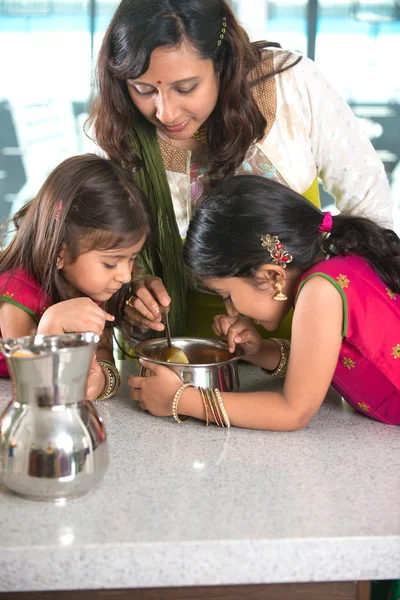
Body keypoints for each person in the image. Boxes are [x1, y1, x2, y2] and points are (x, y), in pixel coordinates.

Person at [88, 0, 393, 341]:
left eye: (186, 88)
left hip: (308, 332)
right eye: (144, 89)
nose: (166, 113)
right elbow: (102, 244)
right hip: (180, 340)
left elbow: (372, 208)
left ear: (223, 63)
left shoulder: (291, 86)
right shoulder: (121, 130)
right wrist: (133, 284)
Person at [129, 175, 400, 429]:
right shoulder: (334, 270)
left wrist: (180, 399)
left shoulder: (320, 290)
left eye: (227, 296)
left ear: (271, 276)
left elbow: (292, 411)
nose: (231, 310)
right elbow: (320, 363)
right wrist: (260, 351)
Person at [0, 154, 152, 400]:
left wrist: (101, 380)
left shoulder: (90, 286)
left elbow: (102, 352)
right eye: (111, 263)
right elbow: (32, 388)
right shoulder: (16, 292)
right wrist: (52, 324)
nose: (125, 276)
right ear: (60, 252)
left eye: (132, 258)